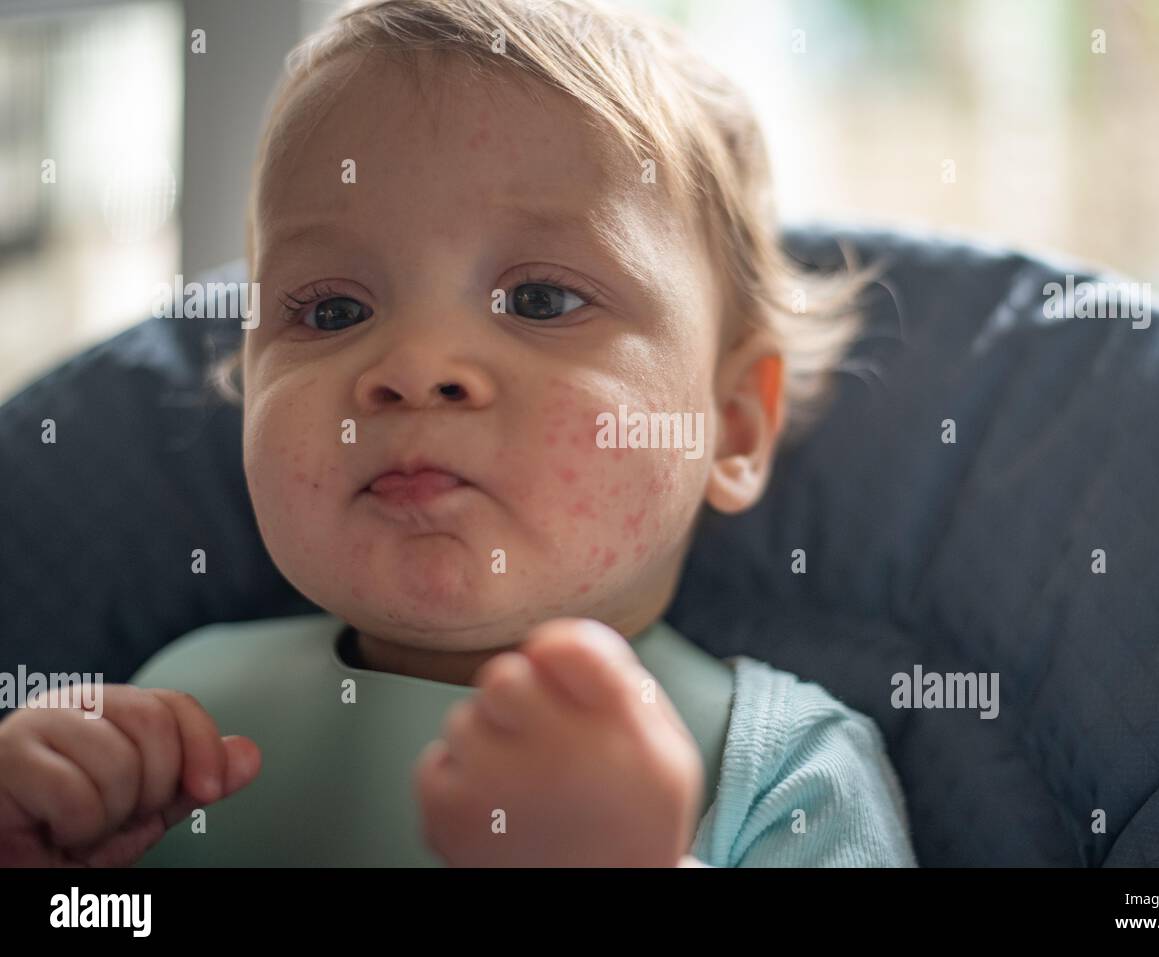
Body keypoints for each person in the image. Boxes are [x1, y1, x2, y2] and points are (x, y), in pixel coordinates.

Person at [0, 0, 915, 868]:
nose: (414, 363)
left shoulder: (784, 769)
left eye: (540, 299)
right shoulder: (172, 723)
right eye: (332, 310)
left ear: (732, 428)